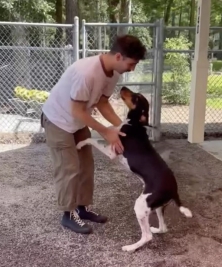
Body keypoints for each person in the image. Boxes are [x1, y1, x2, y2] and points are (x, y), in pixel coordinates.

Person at [40, 34, 147, 234]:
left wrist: (122, 127)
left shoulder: (113, 73)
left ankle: (82, 208)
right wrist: (106, 131)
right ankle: (68, 215)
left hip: (77, 121)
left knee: (86, 166)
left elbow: (102, 102)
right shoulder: (86, 73)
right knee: (68, 168)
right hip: (58, 120)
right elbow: (77, 110)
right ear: (118, 57)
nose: (132, 69)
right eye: (131, 64)